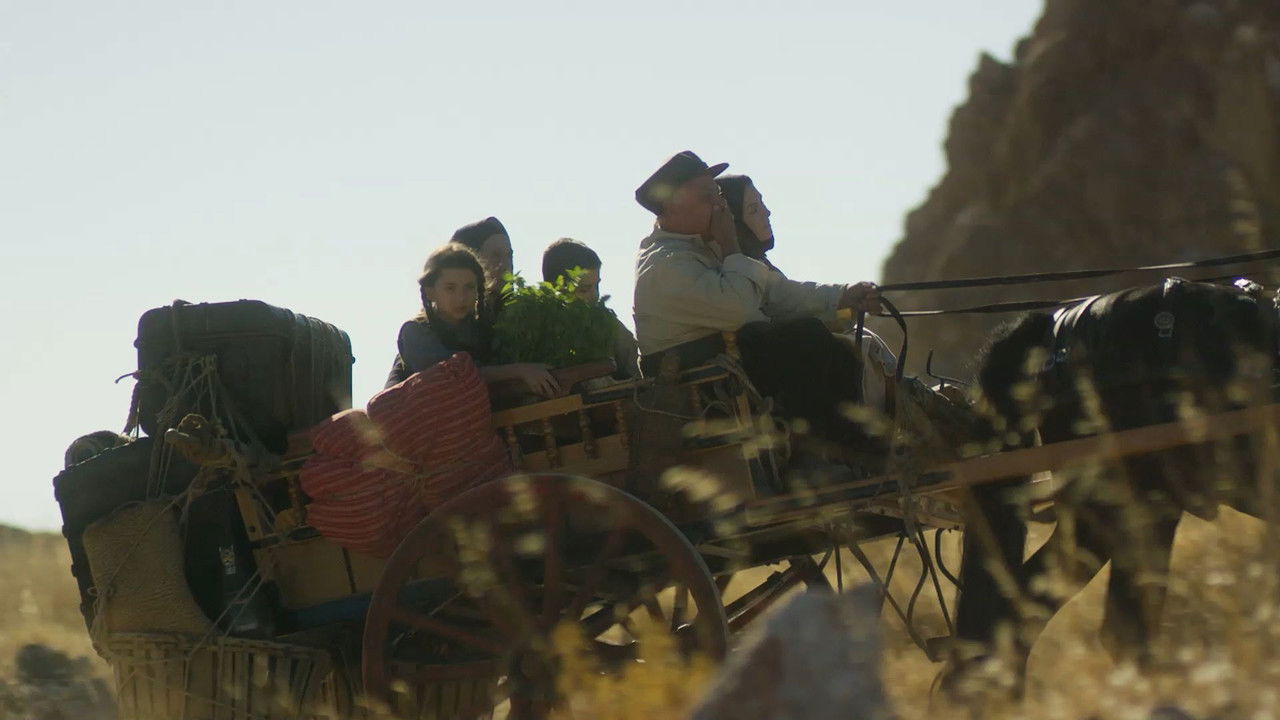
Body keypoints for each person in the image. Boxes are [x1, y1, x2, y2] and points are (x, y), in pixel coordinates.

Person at [631, 150, 882, 451]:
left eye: (718, 193)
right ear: (672, 205)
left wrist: (843, 294)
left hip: (739, 371)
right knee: (806, 339)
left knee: (835, 344)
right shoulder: (666, 264)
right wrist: (730, 244)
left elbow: (775, 292)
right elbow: (739, 309)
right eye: (708, 197)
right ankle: (830, 453)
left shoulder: (701, 247)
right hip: (709, 392)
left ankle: (854, 446)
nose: (720, 205)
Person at [715, 173, 899, 410]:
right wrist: (844, 296)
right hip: (782, 384)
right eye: (753, 209)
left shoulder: (759, 266)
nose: (767, 212)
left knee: (865, 340)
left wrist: (849, 308)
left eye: (762, 203)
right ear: (734, 225)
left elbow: (816, 314)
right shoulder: (744, 272)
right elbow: (794, 309)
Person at [386, 243, 559, 397]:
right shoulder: (415, 332)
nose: (461, 297)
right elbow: (453, 374)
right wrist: (518, 370)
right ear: (431, 292)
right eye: (450, 288)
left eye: (469, 287)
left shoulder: (481, 329)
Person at [541, 238, 641, 379]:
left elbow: (635, 367)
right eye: (584, 289)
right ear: (557, 288)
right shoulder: (540, 329)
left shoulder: (607, 324)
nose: (595, 295)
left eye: (597, 286)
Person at [451, 216, 514, 309]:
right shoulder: (443, 318)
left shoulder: (527, 314)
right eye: (496, 256)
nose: (505, 265)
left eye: (509, 256)